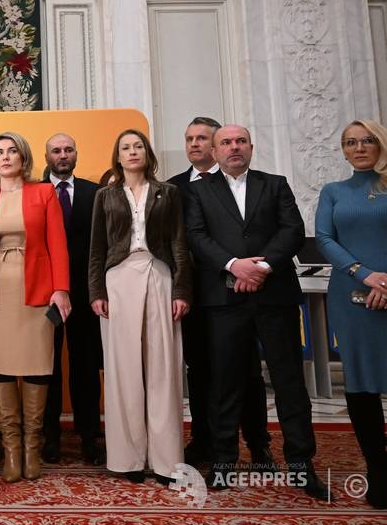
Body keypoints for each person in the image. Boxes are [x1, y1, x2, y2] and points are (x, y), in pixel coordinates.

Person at [184, 124, 330, 500]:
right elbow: (197, 237)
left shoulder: (275, 183)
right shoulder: (198, 191)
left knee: (289, 385)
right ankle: (223, 462)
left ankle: (301, 465)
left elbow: (292, 230)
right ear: (214, 152)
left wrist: (262, 268)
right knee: (225, 384)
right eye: (226, 143)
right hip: (224, 301)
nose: (234, 148)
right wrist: (234, 265)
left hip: (274, 296)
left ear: (251, 147)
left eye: (241, 141)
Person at [0, 132, 71, 483]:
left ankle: (32, 448)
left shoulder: (44, 193)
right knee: (0, 366)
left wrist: (61, 289)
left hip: (37, 289)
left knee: (38, 364)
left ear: (23, 158)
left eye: (12, 151)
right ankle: (11, 449)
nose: (6, 157)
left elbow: (58, 244)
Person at [167, 117, 271, 468]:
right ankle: (204, 440)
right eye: (189, 138)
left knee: (247, 372)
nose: (194, 144)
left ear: (216, 146)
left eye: (202, 138)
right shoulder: (173, 187)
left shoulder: (241, 184)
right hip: (195, 295)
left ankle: (258, 443)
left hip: (239, 291)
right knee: (199, 370)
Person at [89, 129, 191, 484]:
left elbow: (179, 244)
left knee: (163, 369)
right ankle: (127, 459)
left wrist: (181, 291)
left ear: (147, 153)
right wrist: (96, 291)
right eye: (125, 148)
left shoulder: (169, 193)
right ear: (117, 157)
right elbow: (97, 248)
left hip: (160, 275)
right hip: (117, 280)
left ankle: (166, 462)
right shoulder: (105, 196)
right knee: (122, 371)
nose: (132, 152)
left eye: (138, 147)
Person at [315, 119, 387, 509]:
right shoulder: (333, 191)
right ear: (343, 150)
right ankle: (378, 469)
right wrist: (364, 275)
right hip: (351, 295)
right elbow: (325, 238)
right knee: (361, 384)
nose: (359, 148)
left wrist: (385, 281)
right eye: (350, 142)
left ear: (380, 145)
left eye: (367, 141)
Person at [41, 133, 104, 466]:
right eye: (56, 151)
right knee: (47, 368)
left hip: (84, 295)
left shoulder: (96, 193)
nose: (62, 155)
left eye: (68, 149)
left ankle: (89, 436)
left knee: (85, 367)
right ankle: (49, 437)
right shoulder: (34, 192)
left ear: (76, 154)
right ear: (46, 156)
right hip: (45, 295)